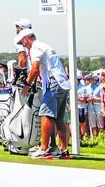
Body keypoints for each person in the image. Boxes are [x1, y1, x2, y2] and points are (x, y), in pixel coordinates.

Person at [17, 29, 70, 159]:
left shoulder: (35, 48)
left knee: (45, 114)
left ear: (26, 39)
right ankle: (63, 150)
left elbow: (35, 69)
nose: (23, 45)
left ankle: (44, 149)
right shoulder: (45, 45)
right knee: (58, 119)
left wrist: (27, 84)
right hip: (62, 83)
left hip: (53, 82)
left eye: (22, 42)